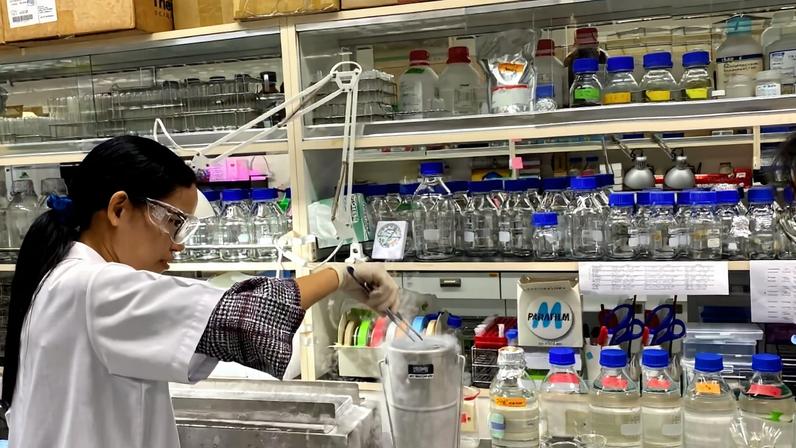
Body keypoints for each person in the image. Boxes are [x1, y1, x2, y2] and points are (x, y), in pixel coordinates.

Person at [1, 135, 399, 447]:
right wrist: (341, 274)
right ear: (119, 209)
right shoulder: (95, 287)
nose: (178, 244)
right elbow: (250, 315)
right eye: (173, 222)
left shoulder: (60, 276)